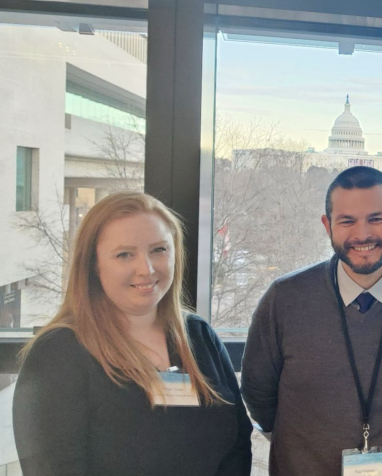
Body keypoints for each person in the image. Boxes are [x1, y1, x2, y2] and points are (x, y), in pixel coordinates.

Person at [241, 166, 382, 476]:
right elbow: (258, 392)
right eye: (347, 221)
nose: (362, 235)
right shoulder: (285, 299)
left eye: (376, 218)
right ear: (327, 226)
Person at [13, 192, 252, 476]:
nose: (146, 269)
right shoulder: (58, 354)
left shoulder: (198, 336)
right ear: (94, 265)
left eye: (159, 250)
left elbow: (237, 442)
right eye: (124, 254)